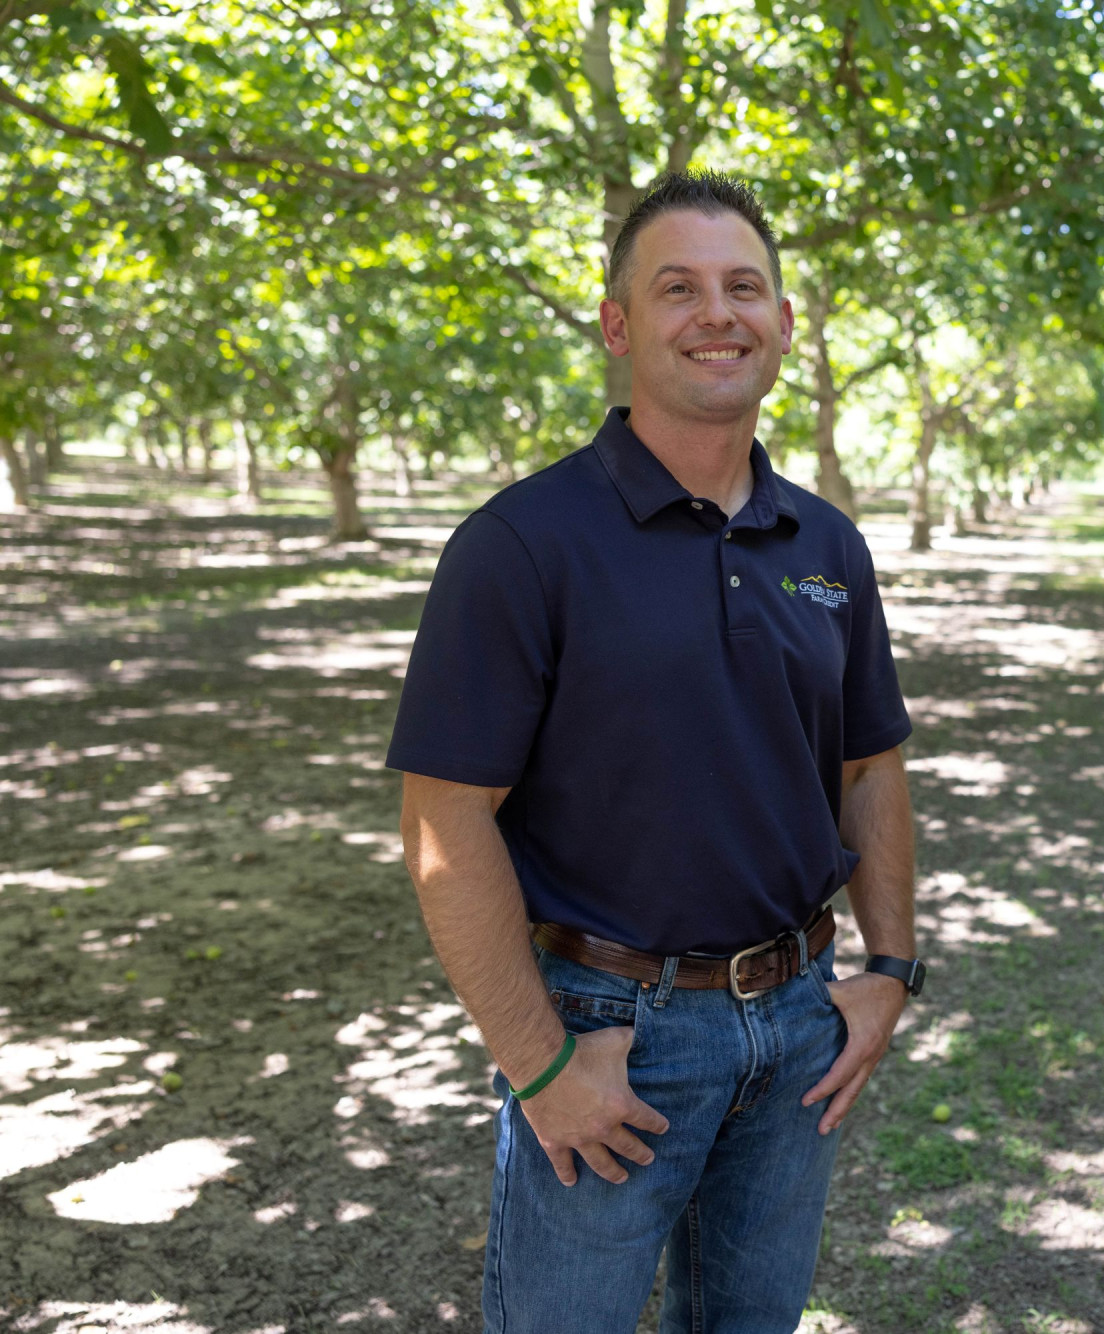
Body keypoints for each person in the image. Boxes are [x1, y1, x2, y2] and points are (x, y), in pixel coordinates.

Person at [388, 170, 928, 1333]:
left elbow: (869, 763)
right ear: (618, 324)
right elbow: (443, 820)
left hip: (795, 1026)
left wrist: (889, 968)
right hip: (606, 1033)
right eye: (677, 288)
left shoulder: (825, 540)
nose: (716, 313)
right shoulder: (520, 544)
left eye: (745, 287)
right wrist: (539, 1064)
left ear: (786, 321)